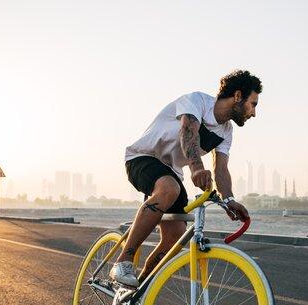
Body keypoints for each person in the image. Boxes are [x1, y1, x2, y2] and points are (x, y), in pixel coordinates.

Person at [110, 70, 262, 287]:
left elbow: (221, 169)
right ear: (238, 96)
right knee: (169, 189)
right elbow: (188, 131)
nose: (254, 113)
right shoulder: (197, 101)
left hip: (172, 172)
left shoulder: (226, 132)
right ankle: (123, 261)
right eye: (253, 104)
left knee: (176, 237)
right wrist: (197, 168)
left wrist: (229, 201)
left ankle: (135, 290)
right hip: (142, 157)